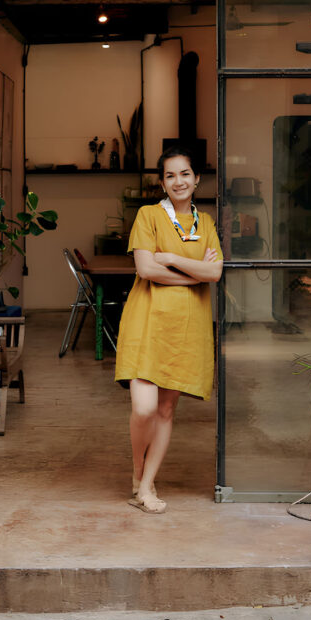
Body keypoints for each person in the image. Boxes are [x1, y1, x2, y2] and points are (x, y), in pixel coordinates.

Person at [114, 145, 223, 514]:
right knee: (144, 409)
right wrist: (194, 276)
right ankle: (137, 468)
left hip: (186, 329)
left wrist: (173, 258)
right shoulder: (148, 216)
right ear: (162, 183)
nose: (179, 181)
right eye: (171, 175)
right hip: (147, 323)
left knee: (165, 411)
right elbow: (146, 269)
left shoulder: (206, 224)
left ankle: (146, 486)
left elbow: (216, 272)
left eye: (185, 174)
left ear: (197, 179)